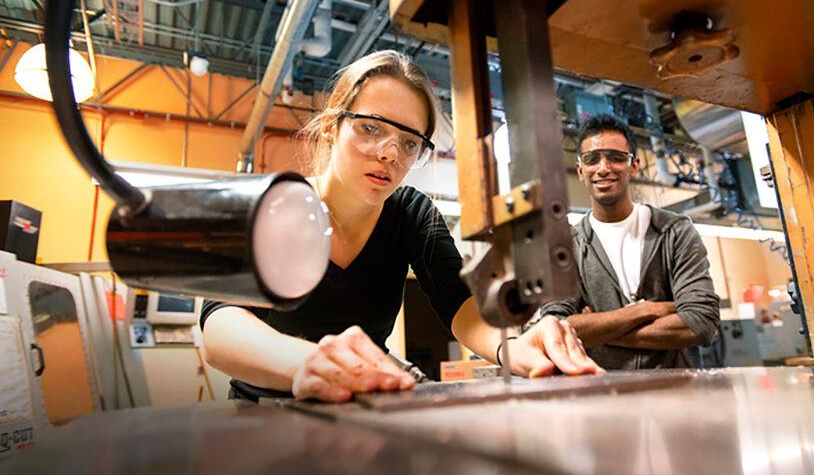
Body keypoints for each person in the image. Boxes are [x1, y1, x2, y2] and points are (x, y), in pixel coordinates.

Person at [201, 50, 600, 403]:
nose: (391, 153)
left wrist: (512, 345)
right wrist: (306, 362)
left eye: (410, 142)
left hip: (358, 411)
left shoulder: (412, 213)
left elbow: (459, 303)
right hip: (261, 415)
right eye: (371, 128)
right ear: (330, 127)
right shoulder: (271, 205)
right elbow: (220, 326)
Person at [533, 114, 720, 369]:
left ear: (633, 166)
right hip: (603, 393)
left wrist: (596, 329)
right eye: (592, 159)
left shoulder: (675, 232)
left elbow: (701, 323)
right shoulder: (567, 246)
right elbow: (556, 329)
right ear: (580, 170)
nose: (603, 168)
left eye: (616, 157)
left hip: (677, 393)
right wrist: (643, 311)